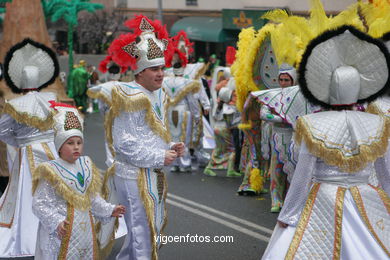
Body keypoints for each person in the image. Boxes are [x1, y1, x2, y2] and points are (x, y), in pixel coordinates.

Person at [263, 26, 390, 260]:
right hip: (367, 196)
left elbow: (303, 174)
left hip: (323, 197)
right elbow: (385, 174)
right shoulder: (377, 124)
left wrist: (289, 214)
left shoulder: (312, 124)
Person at [107, 15, 185, 259]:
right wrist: (160, 155)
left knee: (147, 233)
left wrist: (171, 145)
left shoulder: (158, 94)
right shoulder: (127, 96)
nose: (161, 74)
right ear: (140, 72)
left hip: (153, 172)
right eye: (154, 69)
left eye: (162, 68)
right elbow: (124, 143)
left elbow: (152, 132)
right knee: (142, 233)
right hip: (132, 175)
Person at [32, 102, 125, 259]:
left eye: (79, 142)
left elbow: (92, 198)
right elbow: (39, 203)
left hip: (85, 230)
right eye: (70, 143)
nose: (76, 147)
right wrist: (57, 222)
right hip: (62, 231)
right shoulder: (50, 170)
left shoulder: (85, 165)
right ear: (59, 146)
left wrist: (109, 209)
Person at [0, 38, 59, 257]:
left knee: (30, 195)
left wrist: (20, 142)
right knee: (56, 190)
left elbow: (2, 131)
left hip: (28, 156)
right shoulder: (51, 99)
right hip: (53, 151)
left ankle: (29, 236)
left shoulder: (15, 106)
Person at [163, 45, 201, 172]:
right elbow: (192, 101)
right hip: (184, 111)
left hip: (170, 111)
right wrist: (197, 116)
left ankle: (174, 163)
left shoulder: (166, 82)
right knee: (184, 137)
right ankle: (184, 163)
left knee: (173, 138)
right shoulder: (186, 82)